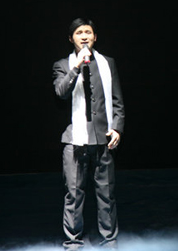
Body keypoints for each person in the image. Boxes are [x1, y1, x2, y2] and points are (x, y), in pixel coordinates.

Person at [53, 18, 125, 249]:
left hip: (103, 139)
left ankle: (109, 242)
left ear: (95, 36)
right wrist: (76, 66)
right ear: (71, 38)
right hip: (75, 140)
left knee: (106, 194)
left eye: (88, 32)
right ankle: (73, 243)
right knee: (74, 195)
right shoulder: (63, 65)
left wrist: (117, 127)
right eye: (79, 32)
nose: (84, 36)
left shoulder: (107, 63)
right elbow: (61, 92)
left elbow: (117, 101)